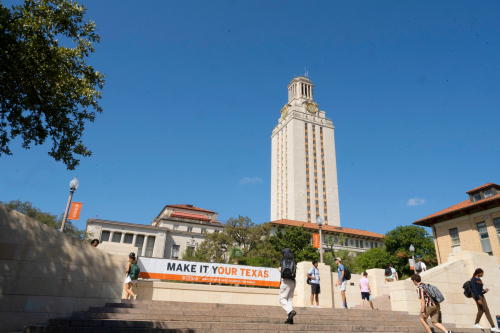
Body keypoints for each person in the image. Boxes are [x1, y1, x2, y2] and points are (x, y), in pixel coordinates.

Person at [278, 247, 296, 324]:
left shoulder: (283, 259)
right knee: (289, 299)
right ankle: (290, 319)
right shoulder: (293, 259)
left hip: (286, 281)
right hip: (293, 281)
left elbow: (279, 269)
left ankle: (290, 312)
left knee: (281, 299)